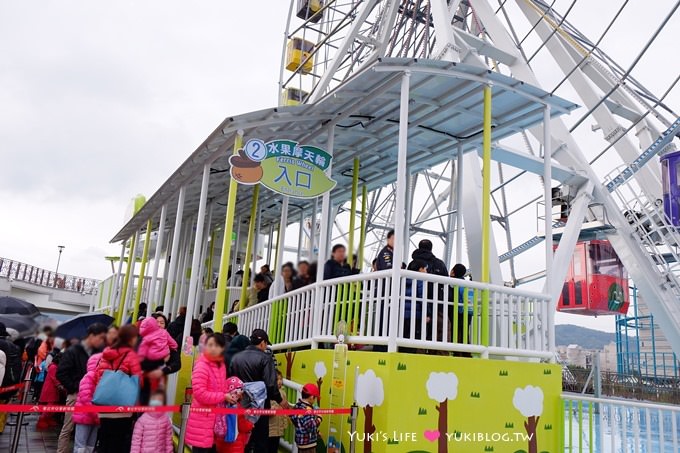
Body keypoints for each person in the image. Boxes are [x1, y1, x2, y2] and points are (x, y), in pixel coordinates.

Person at [229, 329, 287, 453]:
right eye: (266, 344)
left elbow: (231, 381)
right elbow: (271, 385)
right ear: (262, 343)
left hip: (240, 405)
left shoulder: (236, 357)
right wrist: (280, 401)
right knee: (261, 441)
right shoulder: (266, 358)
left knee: (242, 439)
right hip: (260, 406)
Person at [56, 323, 108, 453]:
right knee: (68, 428)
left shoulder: (98, 353)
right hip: (75, 395)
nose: (102, 341)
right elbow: (61, 373)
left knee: (88, 433)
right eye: (101, 338)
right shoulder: (74, 350)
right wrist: (75, 387)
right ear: (91, 336)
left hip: (93, 396)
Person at [93, 325, 143, 453]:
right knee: (119, 443)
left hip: (104, 404)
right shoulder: (131, 355)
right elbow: (139, 380)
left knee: (105, 441)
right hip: (122, 406)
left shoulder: (106, 353)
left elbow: (97, 376)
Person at [185, 333, 237, 452]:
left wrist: (231, 395)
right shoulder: (202, 366)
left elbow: (222, 388)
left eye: (217, 345)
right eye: (210, 345)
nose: (213, 348)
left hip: (215, 420)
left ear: (223, 348)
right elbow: (199, 393)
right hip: (202, 421)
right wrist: (223, 396)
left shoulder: (221, 366)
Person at [138, 317, 178, 394]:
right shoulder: (165, 333)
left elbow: (142, 349)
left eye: (162, 323)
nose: (159, 325)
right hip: (163, 357)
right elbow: (174, 343)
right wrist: (174, 347)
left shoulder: (147, 337)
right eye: (157, 323)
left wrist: (141, 356)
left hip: (151, 359)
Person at [72, 352, 103, 452]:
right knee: (80, 446)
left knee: (90, 446)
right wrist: (96, 414)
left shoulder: (101, 377)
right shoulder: (90, 376)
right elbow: (86, 398)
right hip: (84, 416)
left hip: (94, 417)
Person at [215, 376, 254, 453]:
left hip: (221, 444)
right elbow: (243, 426)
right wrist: (250, 424)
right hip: (235, 445)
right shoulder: (237, 408)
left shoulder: (221, 405)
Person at [403, 260, 431, 342]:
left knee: (403, 338)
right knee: (413, 339)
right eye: (425, 269)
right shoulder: (420, 281)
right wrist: (427, 313)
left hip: (403, 314)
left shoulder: (403, 279)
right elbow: (422, 298)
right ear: (420, 269)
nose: (426, 271)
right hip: (416, 315)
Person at [290, 383, 322, 453]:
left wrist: (316, 433)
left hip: (301, 443)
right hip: (308, 444)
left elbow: (301, 424)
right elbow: (310, 426)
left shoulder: (298, 406)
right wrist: (319, 418)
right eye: (315, 398)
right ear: (311, 397)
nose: (314, 400)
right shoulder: (307, 409)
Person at [36, 351, 64, 430]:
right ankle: (42, 419)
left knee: (53, 404)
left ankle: (47, 419)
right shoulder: (53, 367)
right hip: (51, 388)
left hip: (53, 388)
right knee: (51, 404)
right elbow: (54, 378)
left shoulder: (54, 366)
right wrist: (59, 385)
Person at [449, 264, 474, 348]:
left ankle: (456, 351)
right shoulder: (467, 284)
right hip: (468, 311)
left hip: (458, 311)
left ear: (453, 272)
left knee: (455, 331)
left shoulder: (453, 284)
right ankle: (466, 352)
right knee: (465, 332)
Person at [268, 370, 289, 453]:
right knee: (269, 447)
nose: (279, 381)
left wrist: (284, 423)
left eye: (281, 379)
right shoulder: (269, 393)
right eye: (277, 379)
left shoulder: (283, 393)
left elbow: (284, 409)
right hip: (270, 428)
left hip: (278, 428)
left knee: (275, 447)